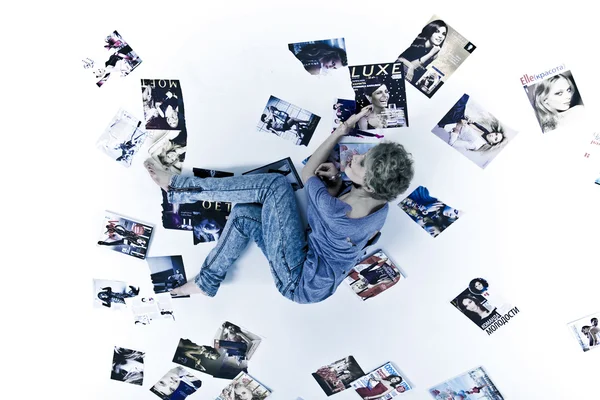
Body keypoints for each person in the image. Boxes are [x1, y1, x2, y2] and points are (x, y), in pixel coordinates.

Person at [145, 105, 414, 304]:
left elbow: (307, 173)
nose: (355, 155)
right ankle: (206, 283)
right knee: (242, 216)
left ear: (369, 185)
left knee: (275, 185)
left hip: (299, 279)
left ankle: (177, 186)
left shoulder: (335, 212)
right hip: (317, 280)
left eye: (361, 162)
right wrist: (337, 180)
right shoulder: (381, 205)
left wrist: (342, 131)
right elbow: (343, 221)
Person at [437, 94, 507, 153]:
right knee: (464, 97)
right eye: (496, 134)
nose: (493, 135)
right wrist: (470, 121)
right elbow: (469, 126)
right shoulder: (485, 131)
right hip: (460, 115)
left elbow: (452, 143)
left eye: (495, 139)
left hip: (451, 122)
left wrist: (458, 127)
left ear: (492, 144)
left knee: (461, 99)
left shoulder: (476, 145)